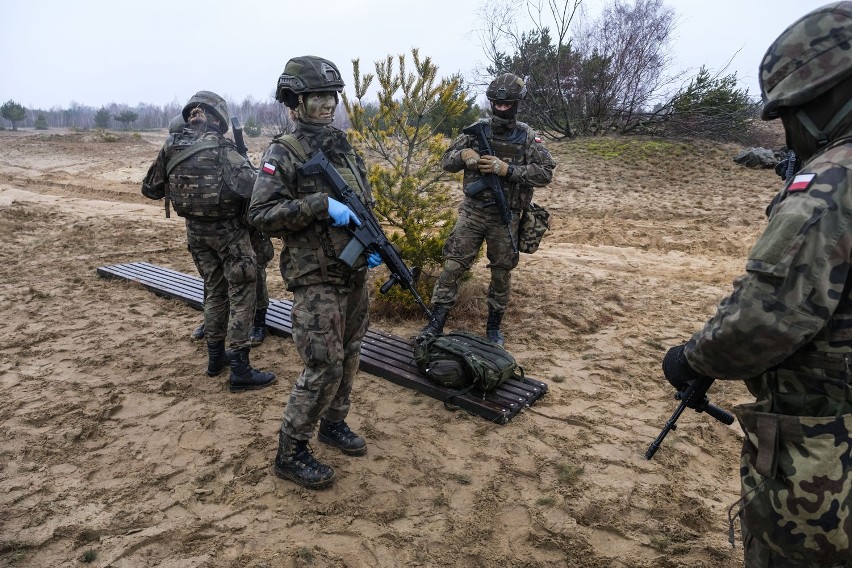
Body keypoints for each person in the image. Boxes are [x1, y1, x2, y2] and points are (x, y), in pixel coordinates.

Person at [661, 3, 852, 566]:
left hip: (825, 443)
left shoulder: (831, 183)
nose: (786, 126)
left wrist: (693, 360)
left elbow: (767, 315)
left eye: (790, 109)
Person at [249, 56, 382, 489]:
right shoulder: (283, 151)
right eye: (316, 97)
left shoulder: (343, 146)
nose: (327, 104)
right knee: (322, 364)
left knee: (350, 353)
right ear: (295, 102)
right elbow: (261, 214)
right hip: (316, 278)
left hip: (353, 271)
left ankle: (333, 423)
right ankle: (291, 450)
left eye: (331, 96)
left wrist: (374, 244)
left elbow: (363, 203)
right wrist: (319, 206)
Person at [141, 90, 276, 392]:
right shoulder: (221, 148)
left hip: (195, 233)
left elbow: (150, 188)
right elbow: (255, 189)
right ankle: (240, 368)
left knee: (214, 291)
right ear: (218, 119)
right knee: (242, 294)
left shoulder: (171, 145)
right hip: (229, 233)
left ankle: (216, 359)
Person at [419, 73, 555, 345]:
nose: (501, 109)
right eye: (497, 104)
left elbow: (545, 173)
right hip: (473, 213)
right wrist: (464, 155)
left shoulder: (526, 136)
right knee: (452, 268)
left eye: (507, 105)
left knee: (501, 274)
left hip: (505, 218)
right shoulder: (476, 130)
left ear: (517, 104)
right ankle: (435, 324)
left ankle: (493, 329)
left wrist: (508, 170)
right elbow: (446, 161)